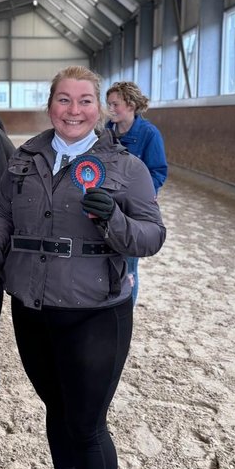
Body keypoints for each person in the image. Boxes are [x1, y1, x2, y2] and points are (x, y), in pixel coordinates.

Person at [0, 66, 166, 469]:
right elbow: (3, 217)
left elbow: (152, 236)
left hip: (96, 312)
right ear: (50, 103)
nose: (73, 110)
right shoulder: (22, 160)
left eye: (84, 101)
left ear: (99, 108)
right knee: (56, 405)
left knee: (88, 424)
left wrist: (114, 222)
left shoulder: (126, 167)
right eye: (63, 100)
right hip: (32, 307)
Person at [104, 82, 167, 306]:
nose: (110, 109)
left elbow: (158, 170)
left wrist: (145, 194)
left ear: (130, 105)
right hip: (108, 205)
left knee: (129, 266)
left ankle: (126, 309)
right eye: (108, 104)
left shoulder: (149, 134)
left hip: (133, 209)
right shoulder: (106, 131)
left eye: (115, 104)